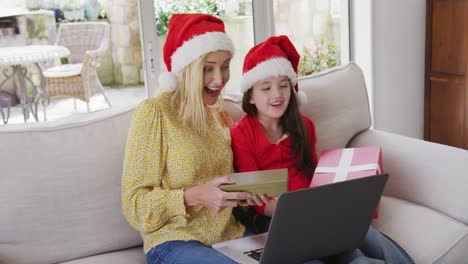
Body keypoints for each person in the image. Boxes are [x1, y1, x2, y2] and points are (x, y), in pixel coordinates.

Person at [230, 35, 414, 264]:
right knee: (345, 254)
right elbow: (255, 198)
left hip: (315, 208)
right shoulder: (240, 133)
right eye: (266, 88)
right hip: (275, 217)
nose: (277, 95)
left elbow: (316, 175)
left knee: (364, 237)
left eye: (284, 86)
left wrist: (334, 203)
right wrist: (300, 214)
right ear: (251, 96)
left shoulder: (304, 125)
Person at [121, 14, 253, 264]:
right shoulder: (156, 112)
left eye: (225, 66)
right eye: (208, 68)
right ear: (186, 70)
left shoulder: (218, 115)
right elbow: (133, 204)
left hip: (230, 236)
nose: (220, 79)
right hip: (174, 240)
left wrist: (247, 196)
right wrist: (192, 196)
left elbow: (223, 185)